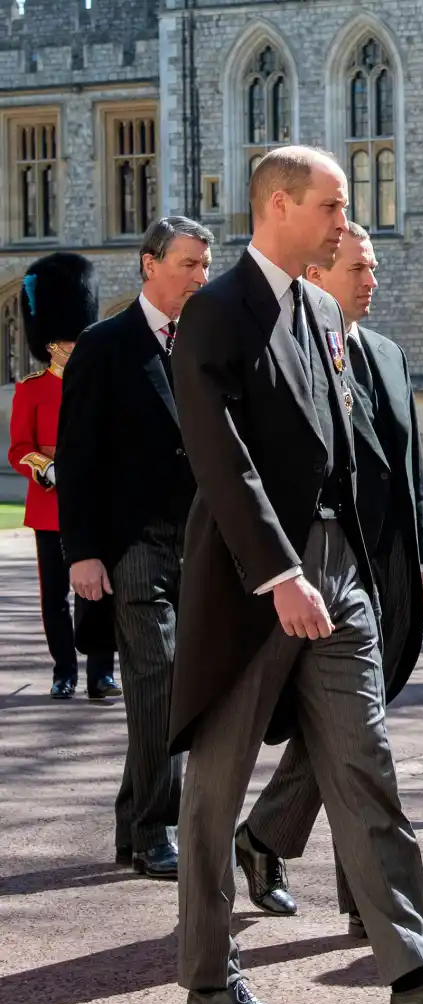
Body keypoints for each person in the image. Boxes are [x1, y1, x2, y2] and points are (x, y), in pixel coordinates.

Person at [169, 145, 423, 1004]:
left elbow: (358, 456)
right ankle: (211, 984)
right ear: (280, 206)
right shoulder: (215, 312)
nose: (344, 222)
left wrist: (377, 568)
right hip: (252, 585)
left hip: (341, 582)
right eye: (332, 207)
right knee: (215, 792)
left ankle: (417, 971)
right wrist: (279, 573)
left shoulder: (317, 312)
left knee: (367, 773)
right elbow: (223, 460)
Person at [233, 220, 423, 941]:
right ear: (318, 278)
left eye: (375, 267)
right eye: (359, 268)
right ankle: (360, 896)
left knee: (356, 729)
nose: (372, 280)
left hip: (385, 568)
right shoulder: (291, 353)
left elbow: (411, 471)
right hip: (320, 566)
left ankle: (265, 837)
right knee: (358, 730)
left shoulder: (386, 352)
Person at [56, 217, 214, 879]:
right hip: (132, 545)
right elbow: (77, 456)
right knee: (162, 679)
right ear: (149, 264)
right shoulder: (105, 346)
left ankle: (133, 822)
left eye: (206, 266)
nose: (200, 278)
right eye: (188, 264)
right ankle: (156, 830)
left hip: (200, 545)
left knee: (169, 687)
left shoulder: (208, 342)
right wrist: (82, 553)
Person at [7, 253, 119, 702]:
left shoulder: (101, 382)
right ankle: (64, 671)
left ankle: (100, 674)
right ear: (49, 343)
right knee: (55, 596)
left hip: (94, 501)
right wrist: (47, 467)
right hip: (50, 503)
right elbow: (18, 449)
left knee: (99, 590)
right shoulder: (30, 390)